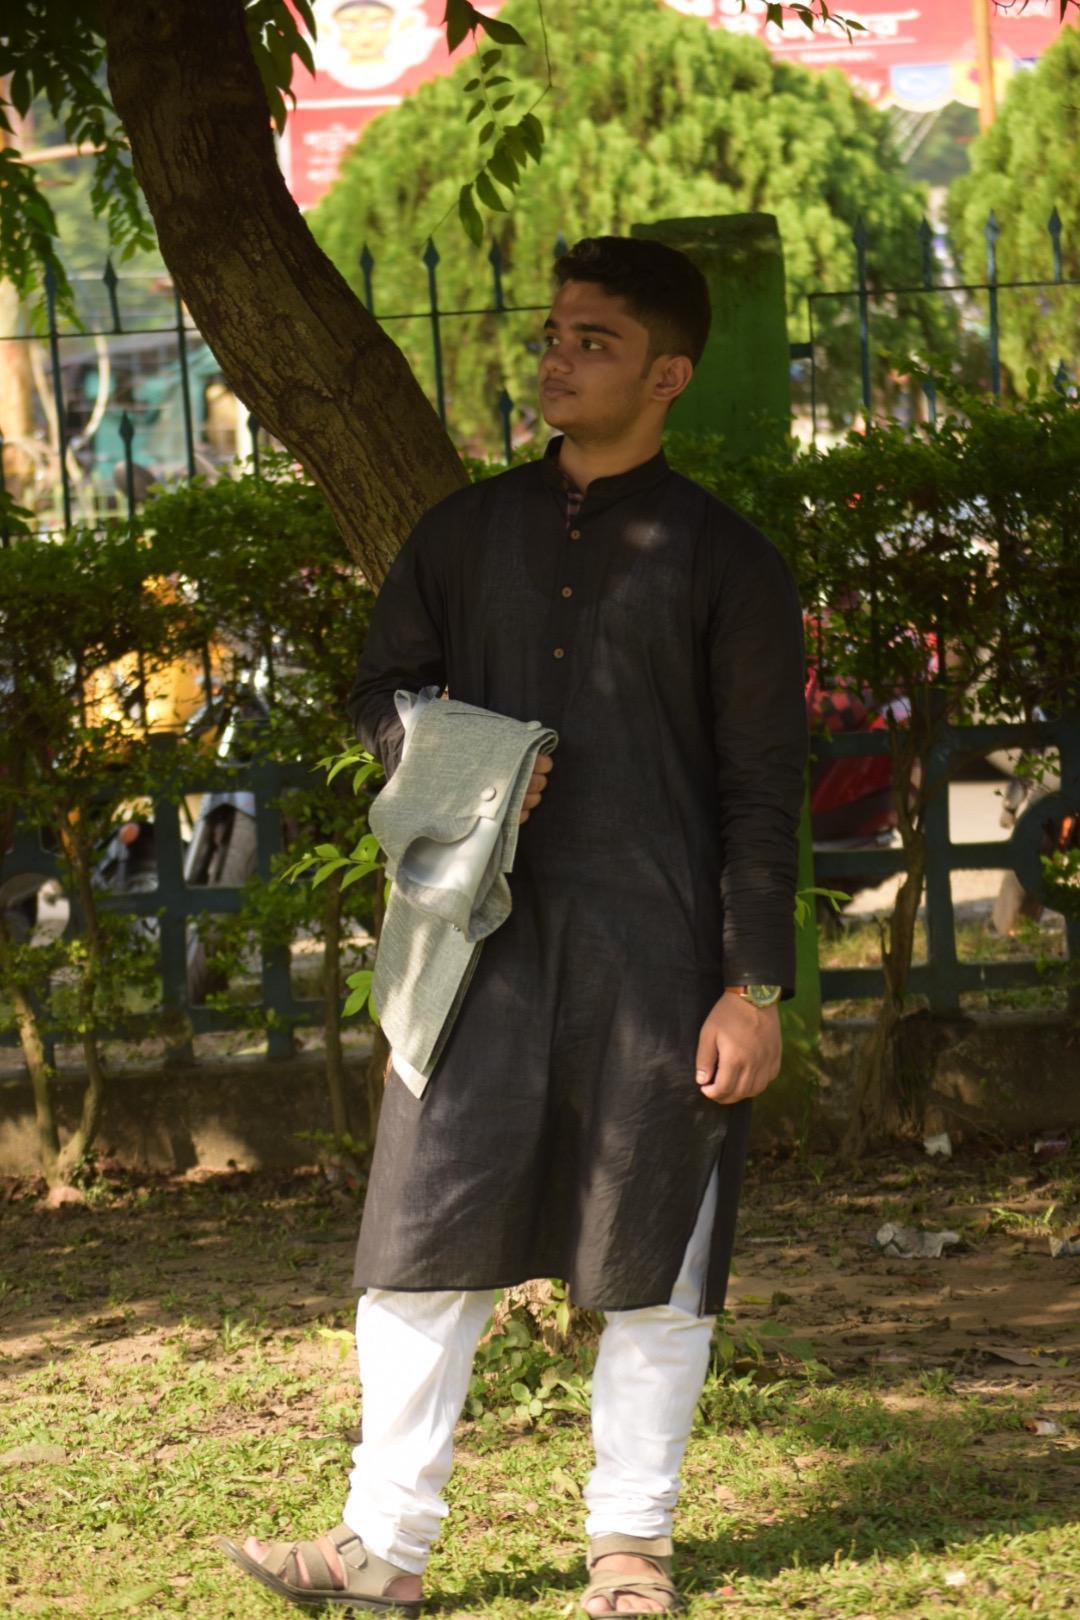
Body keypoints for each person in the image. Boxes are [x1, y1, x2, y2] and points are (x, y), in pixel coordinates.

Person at [221, 235, 807, 1616]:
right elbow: (382, 693)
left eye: (595, 341)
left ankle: (631, 1548)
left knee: (657, 1258)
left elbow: (761, 788)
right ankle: (380, 1546)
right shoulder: (462, 534)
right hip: (473, 948)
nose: (557, 358)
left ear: (667, 375)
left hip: (657, 956)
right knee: (420, 1238)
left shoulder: (726, 561)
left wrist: (755, 988)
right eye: (553, 333)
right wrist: (452, 753)